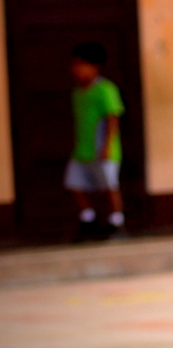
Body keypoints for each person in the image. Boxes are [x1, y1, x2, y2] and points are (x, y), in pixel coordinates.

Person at [64, 42, 126, 239]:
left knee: (109, 186)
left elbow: (112, 118)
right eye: (75, 64)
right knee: (74, 183)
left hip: (102, 149)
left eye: (81, 64)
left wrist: (107, 145)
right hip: (82, 149)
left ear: (95, 66)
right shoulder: (77, 92)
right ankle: (88, 219)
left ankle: (116, 221)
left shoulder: (105, 89)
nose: (76, 69)